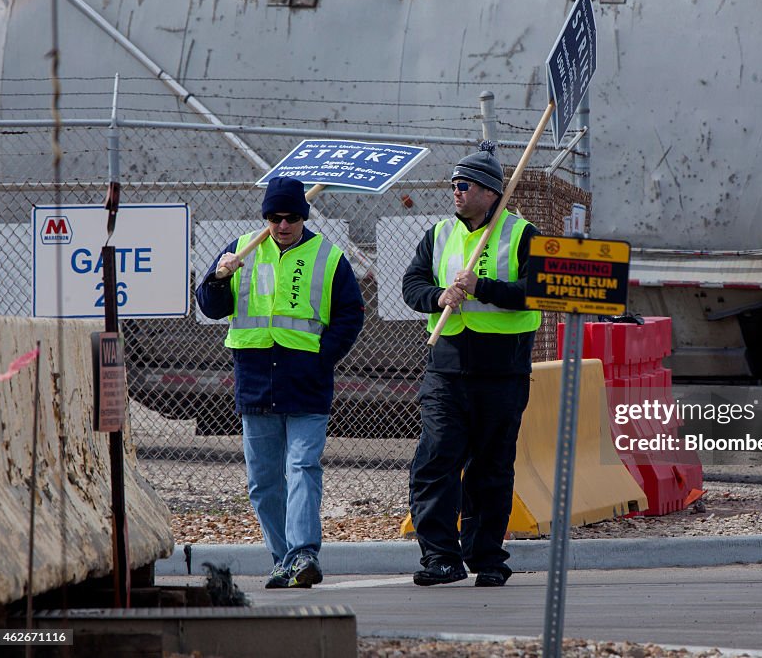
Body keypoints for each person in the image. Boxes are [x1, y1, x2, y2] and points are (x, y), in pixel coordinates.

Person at [196, 176, 364, 589]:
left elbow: (351, 314)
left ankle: (304, 552)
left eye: (290, 217)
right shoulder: (242, 249)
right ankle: (283, 558)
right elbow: (210, 306)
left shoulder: (328, 256)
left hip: (306, 384)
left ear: (303, 217)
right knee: (264, 482)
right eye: (274, 217)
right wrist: (218, 277)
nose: (282, 224)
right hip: (256, 383)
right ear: (266, 217)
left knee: (303, 466)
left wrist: (323, 357)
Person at [402, 141, 540, 587]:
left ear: (489, 192)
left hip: (503, 373)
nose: (455, 192)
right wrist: (438, 296)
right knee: (436, 460)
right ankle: (440, 556)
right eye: (454, 185)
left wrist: (484, 287)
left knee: (491, 468)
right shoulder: (439, 234)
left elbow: (540, 289)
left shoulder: (523, 234)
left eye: (464, 185)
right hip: (446, 370)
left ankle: (486, 557)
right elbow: (412, 283)